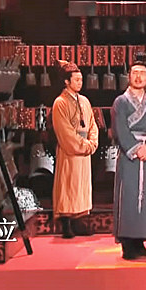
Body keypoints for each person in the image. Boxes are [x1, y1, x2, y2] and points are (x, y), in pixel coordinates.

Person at [111, 52, 146, 260]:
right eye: (135, 73)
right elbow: (120, 130)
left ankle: (141, 241)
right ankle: (127, 244)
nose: (139, 77)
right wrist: (136, 149)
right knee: (129, 196)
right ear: (129, 76)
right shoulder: (120, 102)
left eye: (142, 73)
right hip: (130, 156)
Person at [52, 60, 99, 238]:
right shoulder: (60, 102)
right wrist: (83, 145)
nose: (80, 83)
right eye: (76, 80)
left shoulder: (85, 101)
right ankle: (66, 222)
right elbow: (64, 131)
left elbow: (92, 124)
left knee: (81, 186)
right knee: (68, 184)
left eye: (81, 80)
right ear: (67, 81)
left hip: (84, 150)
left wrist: (92, 142)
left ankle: (79, 220)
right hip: (70, 150)